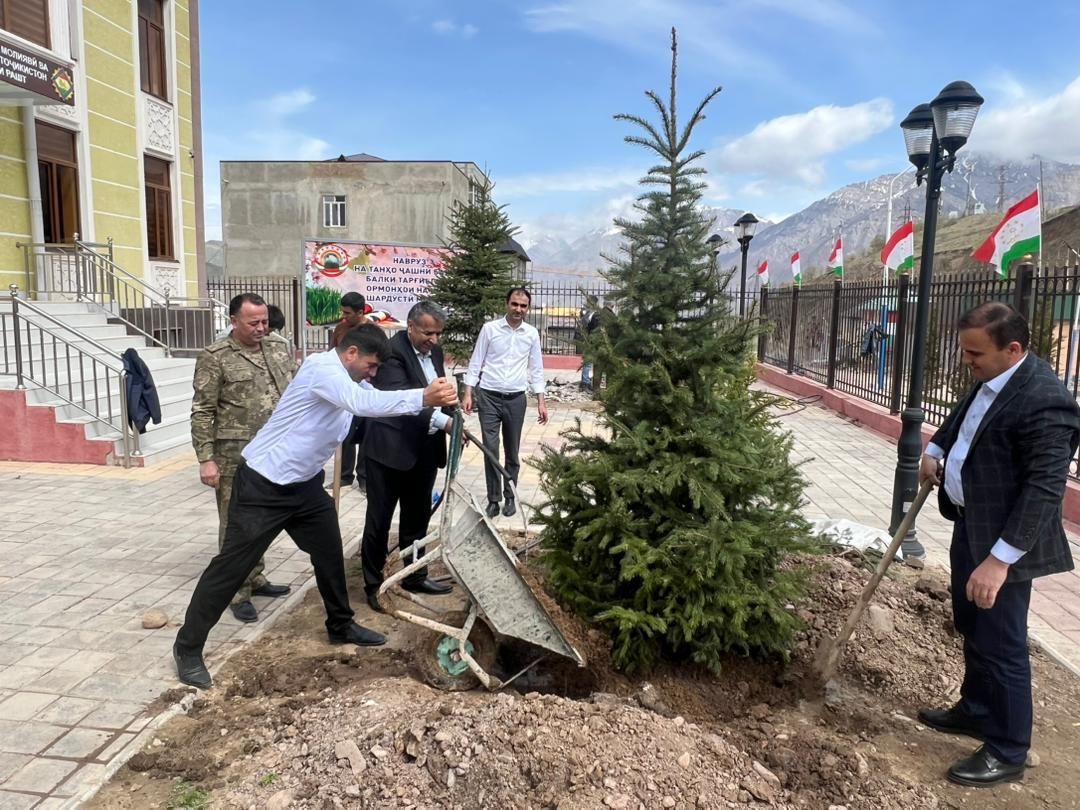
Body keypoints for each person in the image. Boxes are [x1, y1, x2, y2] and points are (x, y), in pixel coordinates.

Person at [173, 325, 459, 689]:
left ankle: (340, 624)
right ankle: (188, 647)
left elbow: (380, 398)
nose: (372, 374)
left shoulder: (351, 378)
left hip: (304, 486)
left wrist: (439, 416)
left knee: (328, 552)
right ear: (351, 353)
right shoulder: (321, 370)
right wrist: (423, 396)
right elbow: (363, 404)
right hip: (264, 484)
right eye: (370, 366)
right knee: (232, 567)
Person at [917, 302, 1080, 787]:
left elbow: (1044, 491)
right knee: (971, 624)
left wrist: (999, 561)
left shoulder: (1046, 400)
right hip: (971, 524)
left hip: (1004, 544)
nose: (968, 362)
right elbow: (967, 416)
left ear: (1013, 349)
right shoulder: (994, 378)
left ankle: (1008, 748)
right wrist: (934, 447)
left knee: (1002, 642)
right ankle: (976, 709)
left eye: (975, 354)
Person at [191, 293, 296, 624]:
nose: (261, 329)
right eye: (253, 323)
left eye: (264, 321)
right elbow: (202, 410)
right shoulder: (215, 357)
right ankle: (236, 590)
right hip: (234, 455)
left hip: (275, 452)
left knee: (263, 518)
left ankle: (257, 575)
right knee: (235, 523)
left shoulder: (279, 347)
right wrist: (206, 459)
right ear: (234, 321)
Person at [360, 301, 456, 613]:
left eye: (438, 333)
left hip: (424, 450)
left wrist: (456, 419)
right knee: (379, 520)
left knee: (417, 517)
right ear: (410, 326)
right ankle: (375, 586)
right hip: (389, 451)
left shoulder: (435, 352)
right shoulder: (391, 354)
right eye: (428, 332)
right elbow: (402, 402)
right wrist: (446, 423)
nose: (434, 340)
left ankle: (414, 575)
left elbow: (439, 394)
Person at [462, 287, 548, 518]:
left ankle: (509, 495)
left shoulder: (531, 334)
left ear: (527, 309)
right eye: (515, 304)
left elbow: (536, 368)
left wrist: (541, 400)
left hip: (516, 399)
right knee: (490, 449)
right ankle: (493, 499)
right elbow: (476, 361)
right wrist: (468, 392)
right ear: (506, 304)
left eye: (523, 306)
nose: (518, 309)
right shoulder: (490, 330)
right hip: (489, 396)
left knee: (512, 450)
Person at [331, 292, 374, 490]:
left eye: (348, 313)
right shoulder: (340, 329)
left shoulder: (371, 330)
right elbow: (331, 355)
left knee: (366, 434)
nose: (344, 316)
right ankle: (344, 475)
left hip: (364, 389)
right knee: (345, 431)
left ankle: (365, 478)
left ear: (360, 312)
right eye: (343, 312)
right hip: (343, 388)